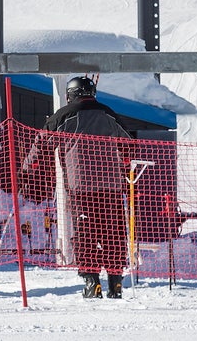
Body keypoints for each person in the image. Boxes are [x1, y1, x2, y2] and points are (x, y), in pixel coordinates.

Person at [23, 76, 133, 299]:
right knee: (113, 232)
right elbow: (128, 143)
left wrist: (27, 169)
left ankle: (92, 281)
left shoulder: (63, 116)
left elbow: (41, 143)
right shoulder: (109, 114)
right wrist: (125, 164)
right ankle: (116, 281)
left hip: (80, 188)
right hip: (111, 186)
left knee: (86, 234)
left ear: (70, 94)